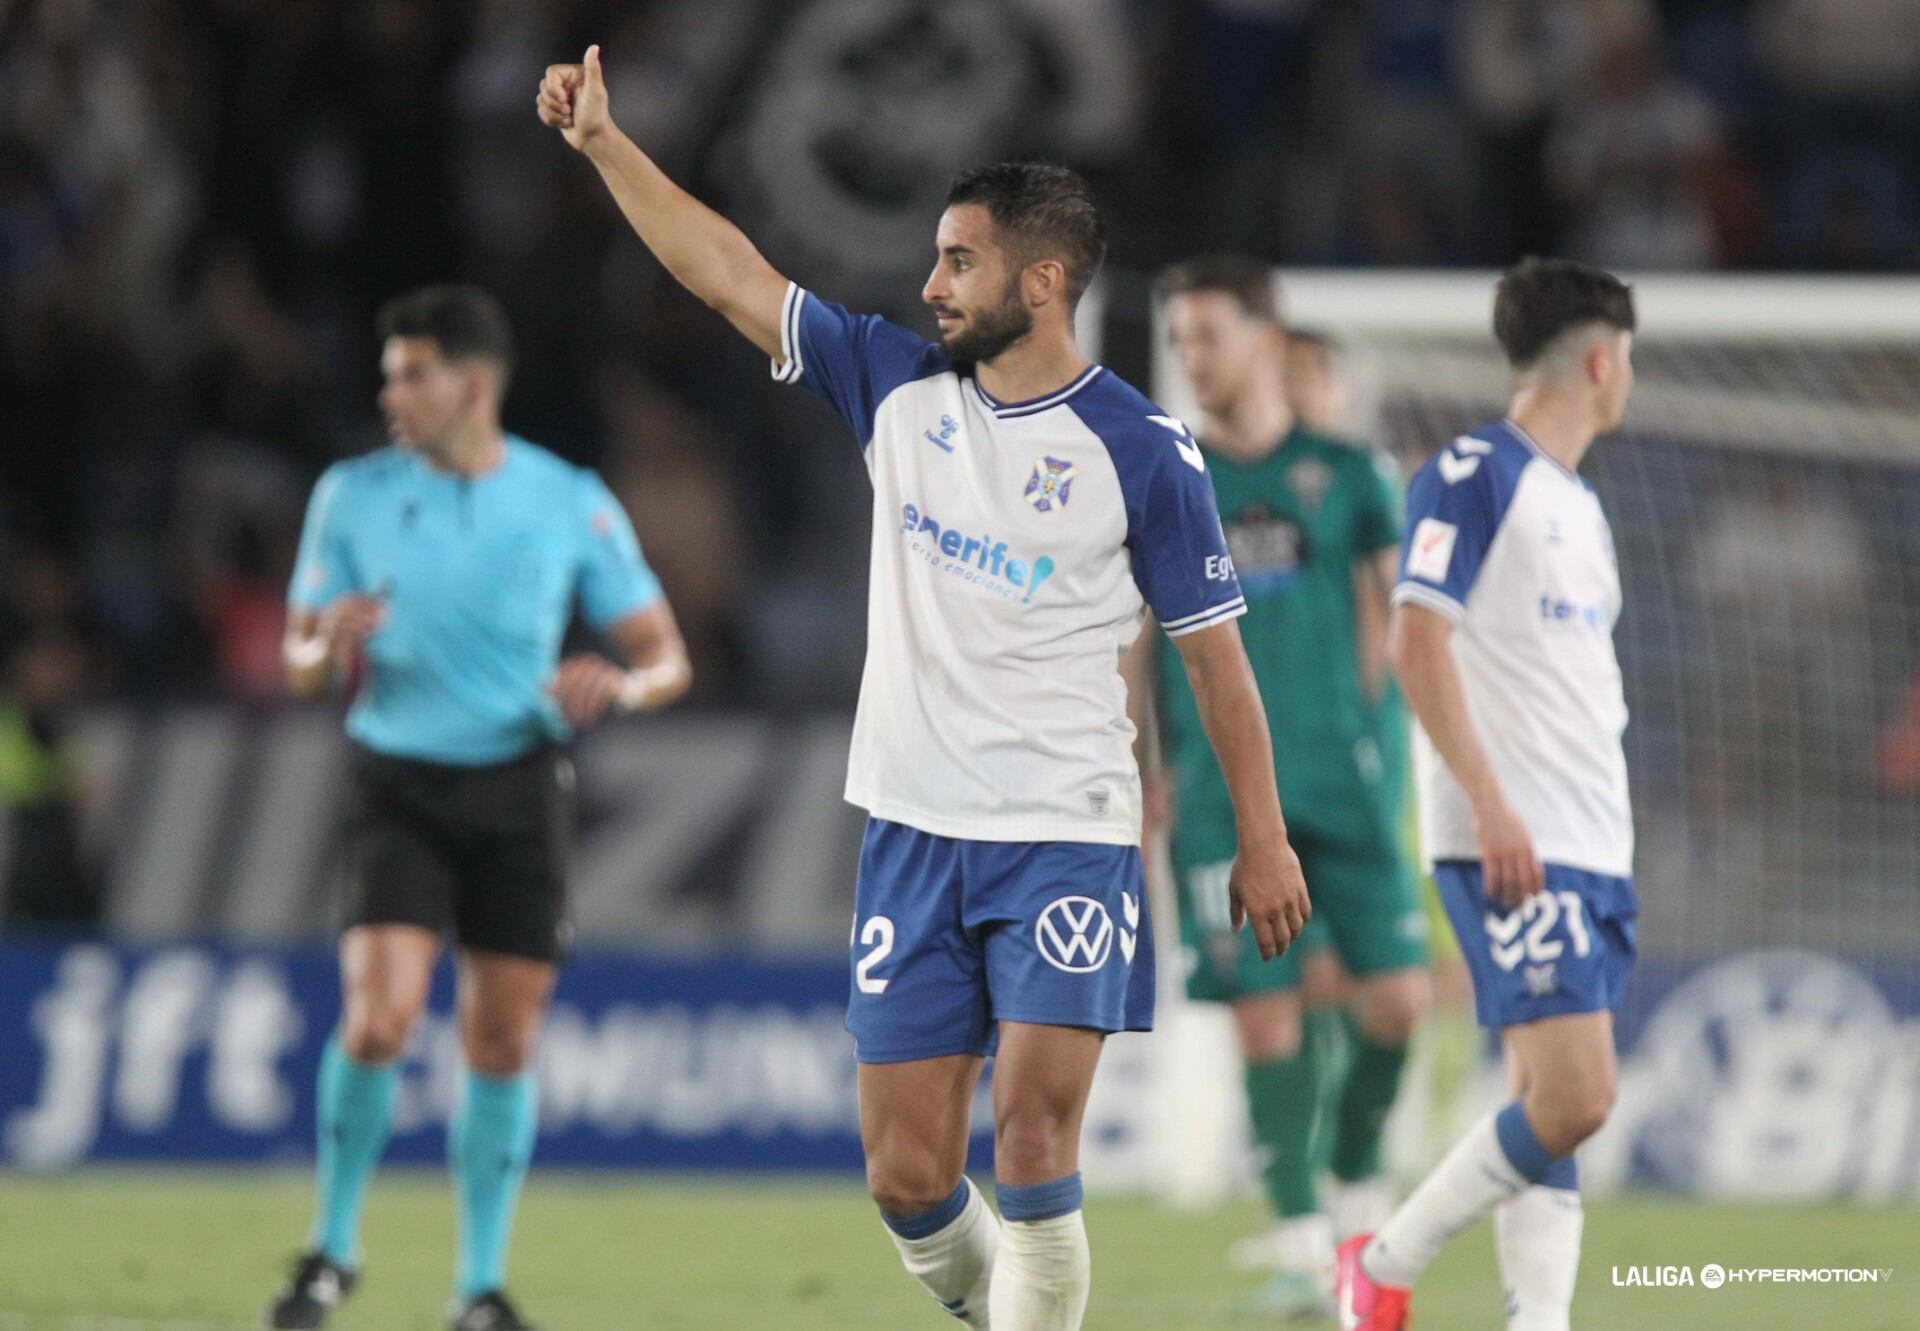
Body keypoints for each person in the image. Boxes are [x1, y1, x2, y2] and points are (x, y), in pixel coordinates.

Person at [537, 47, 1310, 1331]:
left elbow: (1214, 660)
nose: (928, 284)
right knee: (906, 1172)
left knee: (1034, 1137)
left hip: (1065, 828)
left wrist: (1262, 836)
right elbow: (727, 270)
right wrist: (608, 144)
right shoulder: (896, 387)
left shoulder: (1143, 451)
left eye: (959, 261)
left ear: (1044, 279)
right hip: (911, 828)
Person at [264, 284, 692, 1331]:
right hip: (396, 779)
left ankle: (479, 1285)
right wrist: (326, 649)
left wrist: (619, 688)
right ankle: (331, 1250)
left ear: (472, 383)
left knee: (501, 1039)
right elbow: (299, 663)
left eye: (410, 372)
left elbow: (665, 656)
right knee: (382, 1013)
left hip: (518, 784)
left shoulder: (567, 498)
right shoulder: (350, 494)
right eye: (388, 371)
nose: (388, 391)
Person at [1336, 258, 1639, 1331]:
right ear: (1603, 361)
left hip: (1588, 835)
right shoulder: (1474, 472)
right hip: (1517, 834)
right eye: (1628, 359)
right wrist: (1492, 801)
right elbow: (1418, 643)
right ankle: (1379, 1261)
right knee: (1578, 1092)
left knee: (1544, 1099)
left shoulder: (1579, 505)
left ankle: (1537, 1317)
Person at [1126, 257, 1429, 1317]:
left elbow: (1399, 624)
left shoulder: (1350, 473)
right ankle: (1307, 1247)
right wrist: (1140, 763)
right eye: (1181, 338)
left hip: (1339, 777)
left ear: (1266, 339)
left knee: (1397, 997)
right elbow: (1132, 639)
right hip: (1215, 788)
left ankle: (1353, 1177)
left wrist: (1394, 747)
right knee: (1266, 1012)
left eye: (1208, 334)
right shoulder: (1166, 476)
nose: (1192, 357)